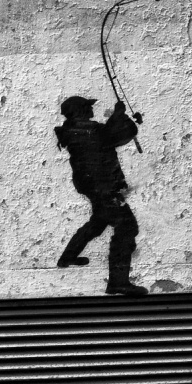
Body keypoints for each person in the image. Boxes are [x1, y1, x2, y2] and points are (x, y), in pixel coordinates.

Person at [55, 95, 148, 297]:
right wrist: (119, 115)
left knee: (98, 222)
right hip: (103, 188)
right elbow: (114, 136)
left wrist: (120, 117)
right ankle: (118, 282)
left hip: (95, 187)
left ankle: (68, 257)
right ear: (80, 111)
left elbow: (112, 135)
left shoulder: (74, 131)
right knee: (126, 227)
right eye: (88, 107)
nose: (91, 110)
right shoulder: (85, 131)